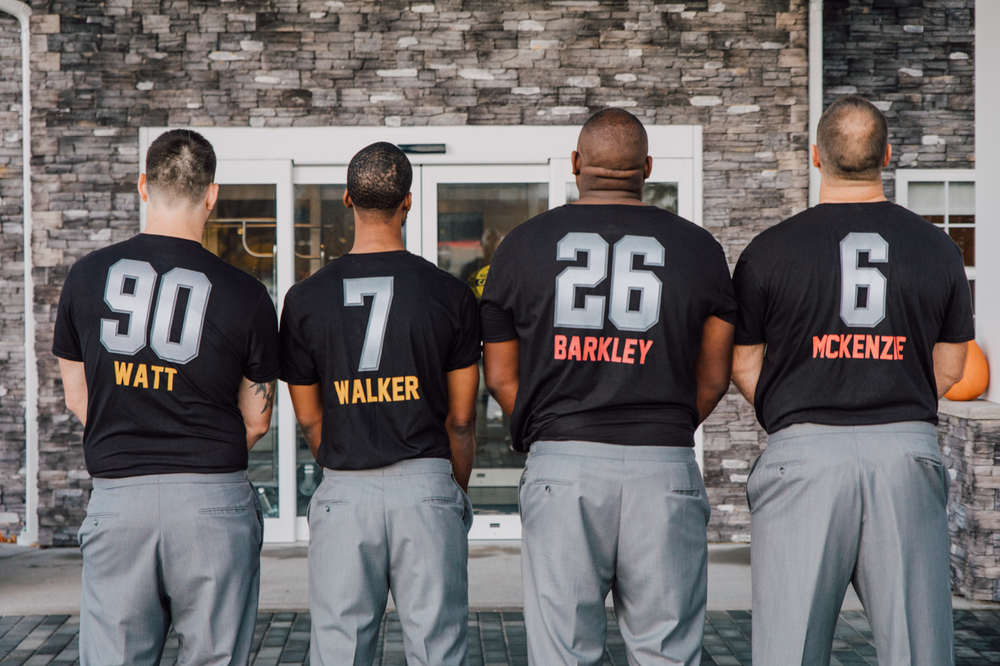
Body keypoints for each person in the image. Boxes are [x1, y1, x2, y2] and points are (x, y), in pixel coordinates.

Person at [480, 108, 736, 666]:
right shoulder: (699, 249)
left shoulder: (521, 246)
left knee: (563, 654)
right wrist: (661, 425)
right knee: (667, 654)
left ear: (576, 164)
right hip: (662, 465)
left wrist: (550, 426)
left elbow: (500, 378)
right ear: (647, 168)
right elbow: (715, 376)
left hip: (562, 468)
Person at [731, 94, 973, 666]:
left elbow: (742, 363)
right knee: (919, 653)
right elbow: (953, 365)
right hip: (905, 455)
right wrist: (893, 396)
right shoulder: (939, 248)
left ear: (816, 156)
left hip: (803, 455)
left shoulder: (768, 251)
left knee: (788, 651)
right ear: (887, 155)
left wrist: (795, 413)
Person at [53, 129, 278, 665]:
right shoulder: (246, 293)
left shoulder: (85, 278)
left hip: (119, 498)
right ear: (213, 194)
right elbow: (257, 420)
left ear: (142, 187)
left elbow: (77, 397)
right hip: (212, 503)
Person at [280, 142, 480, 666]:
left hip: (346, 488)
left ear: (347, 200)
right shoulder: (452, 295)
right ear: (407, 202)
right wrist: (450, 489)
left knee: (341, 654)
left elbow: (308, 416)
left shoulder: (303, 299)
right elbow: (461, 419)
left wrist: (345, 465)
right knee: (439, 653)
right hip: (427, 483)